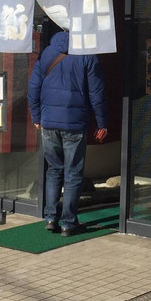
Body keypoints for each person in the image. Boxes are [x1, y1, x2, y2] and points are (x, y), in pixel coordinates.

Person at [28, 30, 108, 236]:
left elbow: (33, 87)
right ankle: (68, 223)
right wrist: (102, 123)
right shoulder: (89, 56)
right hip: (75, 123)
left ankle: (51, 217)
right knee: (73, 174)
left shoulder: (47, 53)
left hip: (48, 122)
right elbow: (96, 94)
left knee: (54, 169)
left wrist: (36, 117)